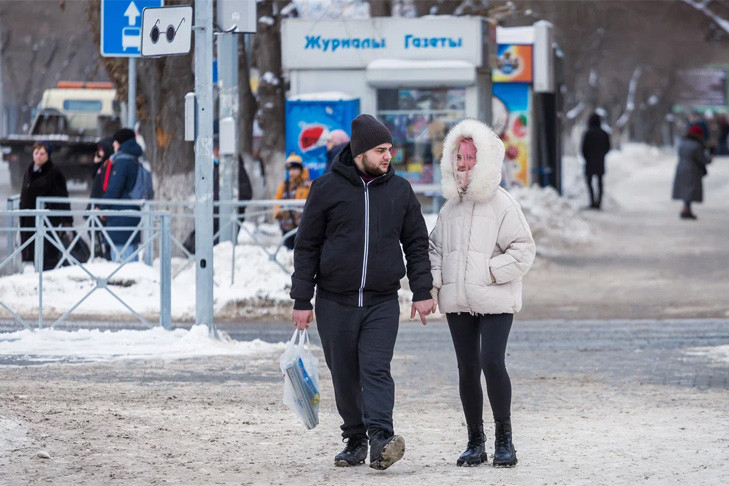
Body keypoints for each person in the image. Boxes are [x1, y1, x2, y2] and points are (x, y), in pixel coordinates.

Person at [290, 114, 435, 471]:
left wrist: (421, 290)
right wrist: (301, 299)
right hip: (334, 301)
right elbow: (306, 245)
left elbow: (416, 243)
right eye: (380, 150)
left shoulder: (400, 191)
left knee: (376, 368)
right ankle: (355, 438)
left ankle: (382, 438)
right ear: (360, 152)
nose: (388, 156)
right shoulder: (326, 188)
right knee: (344, 373)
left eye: (389, 150)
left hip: (381, 301)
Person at [429, 119, 535, 468]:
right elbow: (435, 251)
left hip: (495, 297)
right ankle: (475, 441)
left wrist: (489, 272)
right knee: (467, 367)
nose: (464, 163)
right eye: (458, 156)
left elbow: (523, 250)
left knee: (492, 362)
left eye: (471, 157)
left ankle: (505, 439)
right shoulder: (448, 210)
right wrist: (433, 284)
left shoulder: (502, 204)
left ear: (486, 159)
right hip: (458, 301)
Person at [19, 141, 72, 270]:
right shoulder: (29, 171)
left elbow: (63, 198)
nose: (38, 156)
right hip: (28, 220)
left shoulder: (54, 173)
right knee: (29, 256)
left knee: (47, 256)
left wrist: (67, 221)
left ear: (48, 155)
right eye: (36, 153)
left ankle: (46, 278)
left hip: (47, 221)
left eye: (42, 153)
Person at [102, 128, 144, 262]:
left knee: (122, 264)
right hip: (131, 214)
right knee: (131, 256)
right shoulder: (134, 160)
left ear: (122, 143)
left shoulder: (122, 162)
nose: (113, 144)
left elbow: (114, 189)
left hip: (120, 217)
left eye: (116, 141)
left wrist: (102, 208)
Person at [672, 124, 711, 220]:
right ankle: (686, 210)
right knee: (689, 191)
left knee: (686, 190)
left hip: (681, 168)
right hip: (692, 170)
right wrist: (709, 158)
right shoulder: (696, 145)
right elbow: (702, 159)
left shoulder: (683, 143)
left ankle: (686, 209)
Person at [273, 153, 310, 250]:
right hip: (287, 226)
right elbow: (277, 199)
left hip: (304, 226)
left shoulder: (308, 185)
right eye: (289, 169)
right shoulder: (284, 185)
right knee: (288, 251)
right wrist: (278, 213)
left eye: (294, 168)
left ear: (300, 169)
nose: (291, 172)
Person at [87, 137, 114, 260]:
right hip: (95, 204)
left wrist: (102, 206)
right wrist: (96, 162)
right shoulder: (102, 165)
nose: (99, 152)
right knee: (92, 230)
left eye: (101, 150)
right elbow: (94, 177)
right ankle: (98, 255)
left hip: (100, 205)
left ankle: (103, 255)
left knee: (101, 232)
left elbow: (105, 186)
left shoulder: (109, 165)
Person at [581, 113, 611, 209]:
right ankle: (599, 202)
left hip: (589, 161)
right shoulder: (604, 133)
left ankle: (592, 201)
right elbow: (608, 147)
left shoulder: (588, 133)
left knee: (589, 181)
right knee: (600, 181)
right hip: (600, 161)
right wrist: (601, 154)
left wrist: (586, 157)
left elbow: (583, 148)